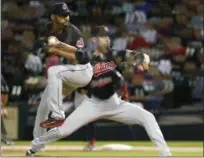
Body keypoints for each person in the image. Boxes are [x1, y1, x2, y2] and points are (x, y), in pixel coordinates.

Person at [26, 26, 171, 157]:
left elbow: (139, 56)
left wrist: (144, 59)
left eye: (107, 36)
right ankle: (34, 147)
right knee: (63, 131)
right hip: (92, 104)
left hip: (114, 103)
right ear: (95, 39)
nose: (106, 38)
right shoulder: (86, 58)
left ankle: (165, 153)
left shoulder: (116, 54)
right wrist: (52, 48)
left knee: (148, 117)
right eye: (103, 36)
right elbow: (71, 55)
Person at [32, 2, 93, 141]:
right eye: (63, 15)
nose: (67, 18)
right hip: (67, 74)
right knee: (43, 106)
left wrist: (56, 49)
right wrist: (42, 45)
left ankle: (58, 115)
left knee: (54, 71)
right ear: (53, 17)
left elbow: (80, 57)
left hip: (82, 70)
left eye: (68, 15)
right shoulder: (47, 29)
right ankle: (37, 144)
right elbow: (41, 44)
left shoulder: (74, 32)